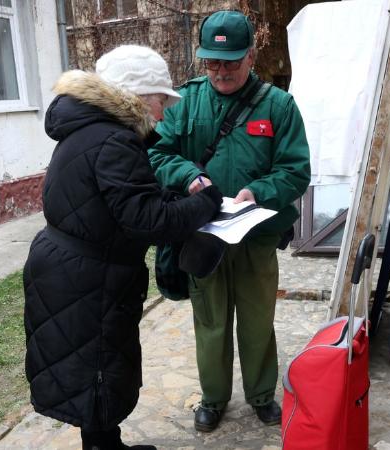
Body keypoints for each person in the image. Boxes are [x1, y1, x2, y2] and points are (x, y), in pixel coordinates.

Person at [23, 45, 224, 450]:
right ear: (140, 96)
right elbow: (146, 220)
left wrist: (172, 196)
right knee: (97, 369)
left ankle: (105, 444)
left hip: (73, 270)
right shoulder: (113, 140)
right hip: (88, 278)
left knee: (93, 367)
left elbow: (124, 200)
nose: (164, 112)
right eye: (161, 100)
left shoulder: (91, 131)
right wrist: (207, 202)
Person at [148, 11, 311, 432]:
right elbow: (157, 154)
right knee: (211, 321)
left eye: (231, 62)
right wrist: (189, 176)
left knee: (258, 320)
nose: (221, 71)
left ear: (251, 56)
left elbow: (296, 170)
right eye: (212, 62)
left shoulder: (278, 105)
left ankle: (260, 395)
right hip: (203, 236)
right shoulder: (186, 102)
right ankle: (214, 398)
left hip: (256, 236)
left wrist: (258, 192)